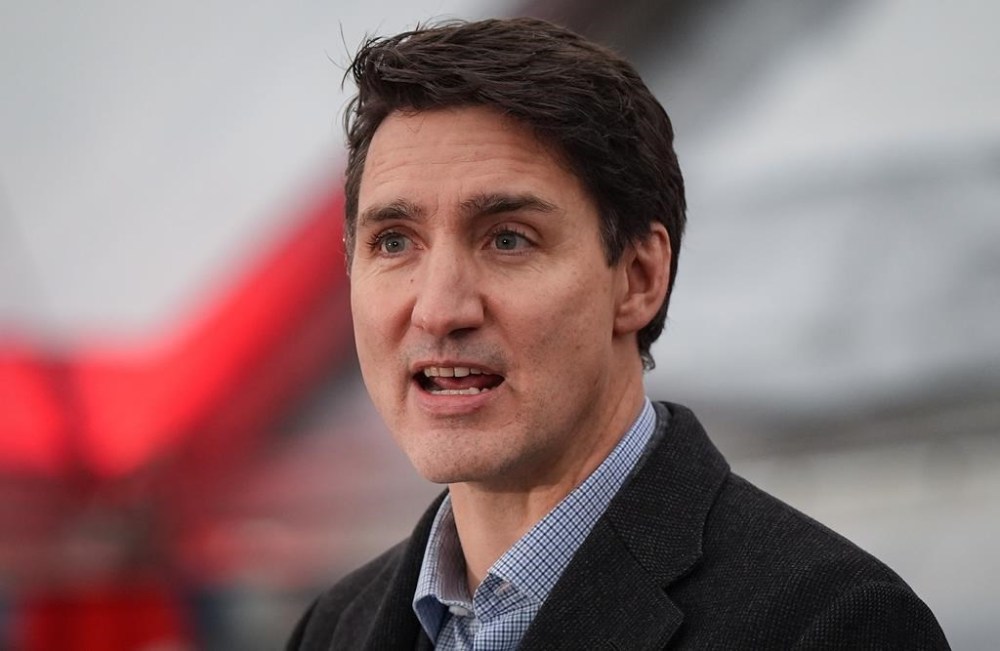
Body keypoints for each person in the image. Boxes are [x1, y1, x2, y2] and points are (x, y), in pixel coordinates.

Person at [287, 17, 949, 650]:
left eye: (509, 238)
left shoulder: (834, 625)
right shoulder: (333, 626)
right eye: (394, 241)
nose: (438, 309)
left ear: (637, 277)